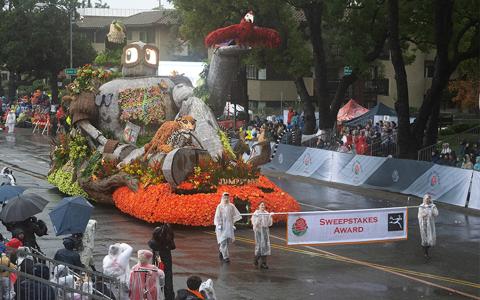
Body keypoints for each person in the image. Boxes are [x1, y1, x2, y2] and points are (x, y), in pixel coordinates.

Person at [148, 223, 176, 300]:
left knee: (157, 277)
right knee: (168, 278)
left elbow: (151, 244)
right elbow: (173, 247)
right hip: (166, 258)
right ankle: (168, 297)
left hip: (158, 258)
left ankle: (157, 296)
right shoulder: (169, 236)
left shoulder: (157, 234)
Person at [214, 192, 241, 263]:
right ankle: (226, 257)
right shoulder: (219, 206)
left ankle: (221, 251)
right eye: (224, 198)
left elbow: (235, 214)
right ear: (222, 198)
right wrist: (219, 225)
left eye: (227, 198)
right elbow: (217, 216)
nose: (226, 199)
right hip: (221, 227)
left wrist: (232, 223)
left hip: (228, 227)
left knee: (227, 241)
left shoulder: (231, 206)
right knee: (223, 241)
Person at [251, 202, 273, 269]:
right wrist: (258, 218)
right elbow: (254, 224)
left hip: (265, 231)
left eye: (264, 205)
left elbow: (269, 224)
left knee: (265, 246)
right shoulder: (256, 213)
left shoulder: (266, 213)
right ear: (259, 206)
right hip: (258, 231)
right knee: (260, 246)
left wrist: (270, 216)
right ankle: (256, 259)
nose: (263, 206)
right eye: (262, 205)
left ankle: (264, 263)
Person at [418, 194, 439, 260]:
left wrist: (432, 209)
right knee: (424, 240)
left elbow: (436, 214)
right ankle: (425, 253)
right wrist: (424, 214)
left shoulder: (433, 206)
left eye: (428, 198)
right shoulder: (421, 206)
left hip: (430, 225)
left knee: (430, 239)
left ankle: (426, 250)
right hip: (423, 224)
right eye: (426, 198)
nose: (427, 200)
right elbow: (419, 215)